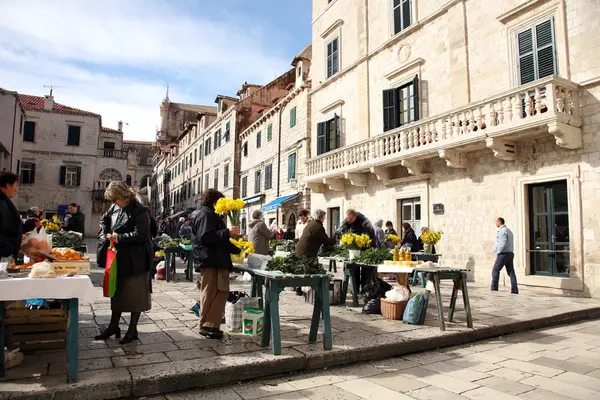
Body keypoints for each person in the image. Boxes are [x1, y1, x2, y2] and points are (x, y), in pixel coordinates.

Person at [95, 181, 153, 344]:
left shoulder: (140, 211)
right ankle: (114, 326)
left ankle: (132, 330)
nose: (112, 203)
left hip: (136, 258)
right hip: (119, 256)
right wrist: (105, 232)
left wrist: (119, 237)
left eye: (114, 200)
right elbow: (104, 220)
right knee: (117, 291)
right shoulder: (114, 208)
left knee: (136, 294)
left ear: (123, 196)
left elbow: (141, 235)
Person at [192, 189, 241, 339]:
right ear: (215, 201)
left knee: (221, 291)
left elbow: (219, 240)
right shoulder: (206, 215)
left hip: (215, 260)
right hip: (210, 260)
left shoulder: (210, 215)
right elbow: (205, 237)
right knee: (210, 292)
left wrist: (238, 247)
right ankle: (206, 325)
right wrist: (227, 232)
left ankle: (211, 324)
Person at [492, 217, 518, 294]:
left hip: (503, 254)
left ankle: (494, 289)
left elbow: (502, 242)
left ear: (499, 222)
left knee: (495, 270)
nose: (495, 223)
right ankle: (514, 289)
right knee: (511, 272)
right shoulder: (509, 231)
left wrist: (498, 251)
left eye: (496, 222)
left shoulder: (502, 231)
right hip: (510, 253)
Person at [0, 172, 22, 259]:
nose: (16, 190)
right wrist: (8, 248)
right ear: (8, 185)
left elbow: (10, 226)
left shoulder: (4, 201)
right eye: (15, 186)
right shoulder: (1, 202)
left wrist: (29, 224)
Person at [97, 203, 120, 269]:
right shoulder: (115, 206)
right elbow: (104, 219)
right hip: (110, 239)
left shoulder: (137, 208)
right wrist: (104, 232)